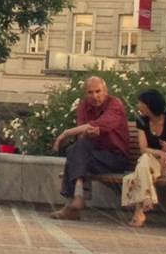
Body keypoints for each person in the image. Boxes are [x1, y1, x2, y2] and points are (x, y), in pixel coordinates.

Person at [49, 75, 132, 220]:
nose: (94, 96)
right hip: (94, 156)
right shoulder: (84, 106)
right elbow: (84, 133)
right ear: (85, 93)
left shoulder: (115, 104)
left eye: (98, 91)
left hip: (116, 158)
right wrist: (88, 132)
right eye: (90, 92)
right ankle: (77, 196)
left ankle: (73, 203)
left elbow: (99, 124)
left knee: (74, 153)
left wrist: (65, 134)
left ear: (105, 91)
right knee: (76, 149)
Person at [119, 88, 166, 229]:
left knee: (140, 169)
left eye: (140, 103)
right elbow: (143, 148)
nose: (137, 106)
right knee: (144, 160)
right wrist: (160, 153)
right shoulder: (142, 121)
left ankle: (141, 209)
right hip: (151, 162)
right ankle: (146, 200)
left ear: (149, 105)